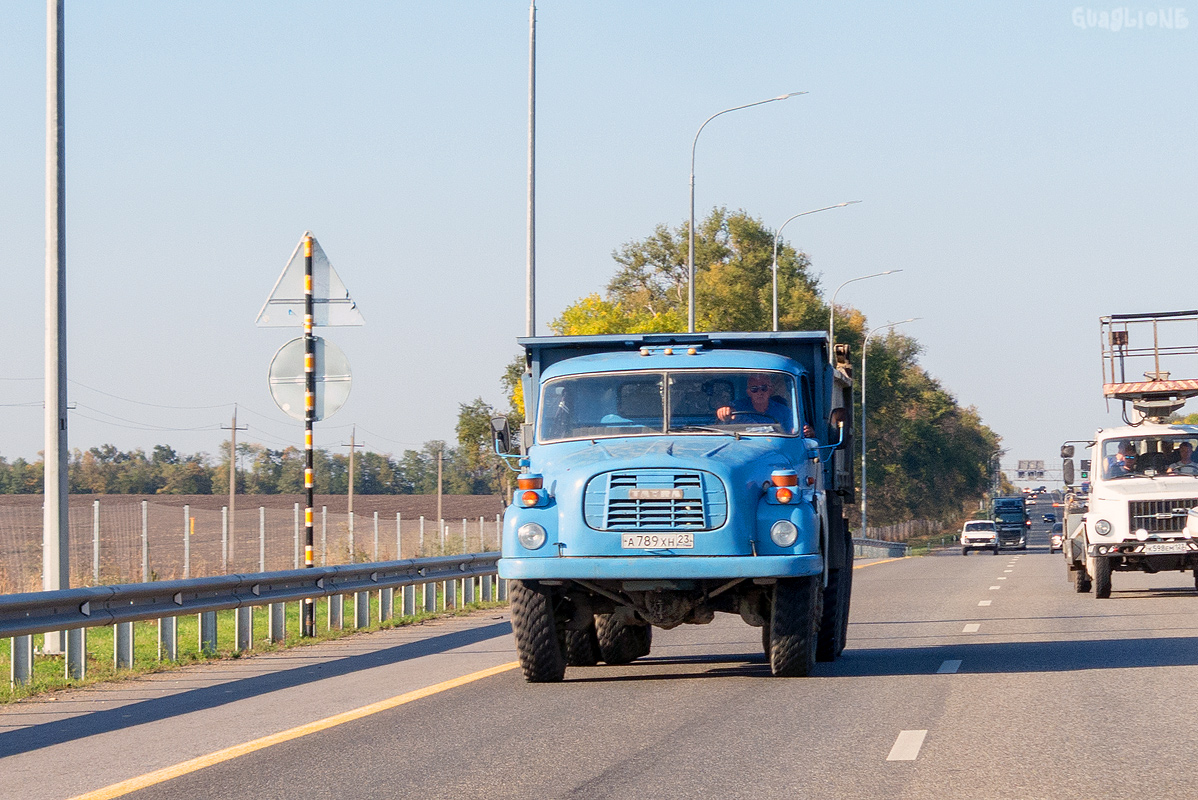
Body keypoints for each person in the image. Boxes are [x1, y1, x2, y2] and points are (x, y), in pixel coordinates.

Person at [716, 374, 793, 432]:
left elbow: (793, 431)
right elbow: (722, 424)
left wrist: (804, 430)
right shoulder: (737, 406)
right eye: (754, 389)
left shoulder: (783, 411)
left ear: (770, 390)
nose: (759, 393)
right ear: (748, 392)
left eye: (764, 388)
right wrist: (724, 411)